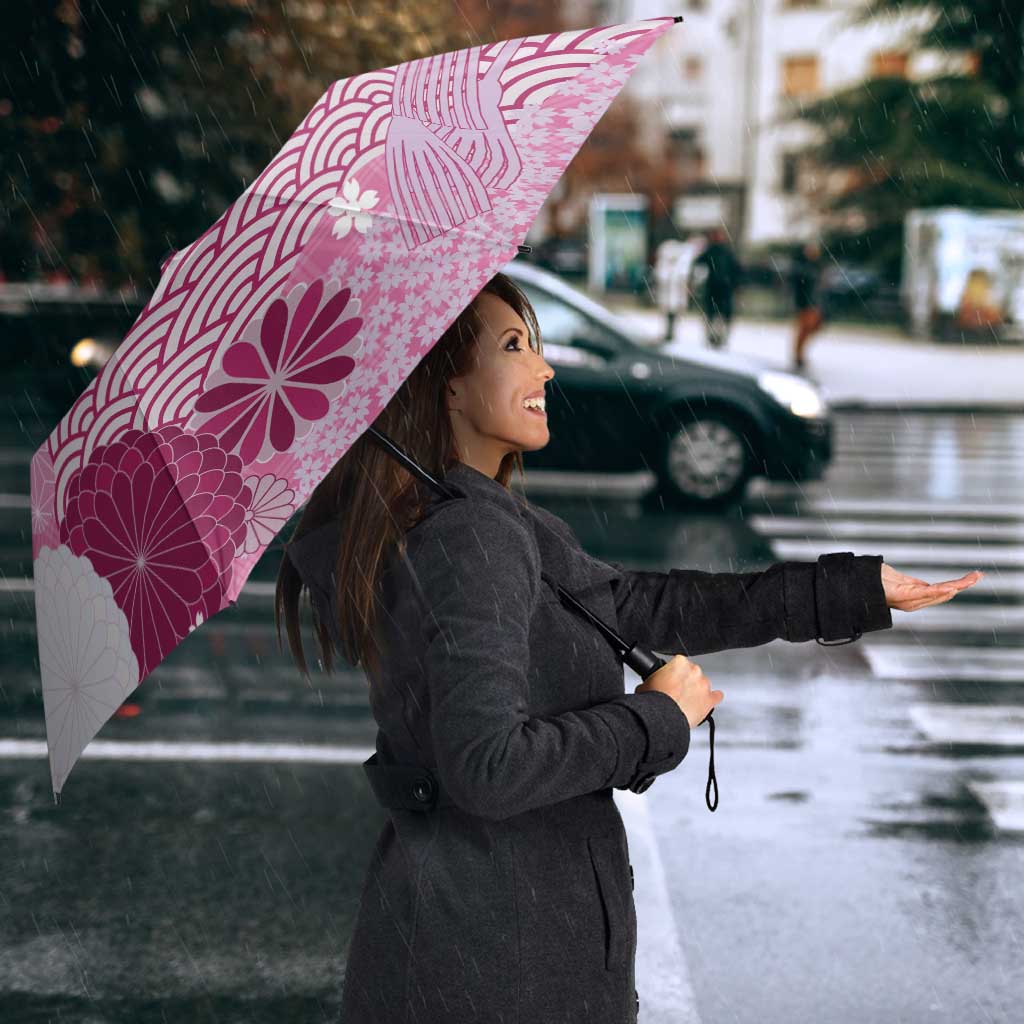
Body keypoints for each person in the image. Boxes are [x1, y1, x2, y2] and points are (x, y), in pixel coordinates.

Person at [275, 271, 976, 1024]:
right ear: (447, 385)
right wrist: (656, 719)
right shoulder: (471, 536)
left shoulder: (472, 518)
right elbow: (487, 767)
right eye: (514, 347)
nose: (544, 369)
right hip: (500, 962)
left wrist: (848, 591)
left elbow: (637, 605)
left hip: (477, 939)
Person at [692, 226, 742, 349]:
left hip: (722, 289)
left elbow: (736, 270)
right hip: (716, 288)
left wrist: (735, 284)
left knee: (719, 315)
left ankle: (719, 337)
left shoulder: (724, 252)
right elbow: (698, 263)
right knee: (714, 314)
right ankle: (713, 337)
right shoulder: (714, 251)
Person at [790, 239, 826, 370]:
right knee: (804, 329)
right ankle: (798, 355)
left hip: (814, 303)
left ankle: (799, 354)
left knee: (812, 327)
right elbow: (799, 286)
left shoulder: (816, 266)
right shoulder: (802, 267)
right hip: (805, 303)